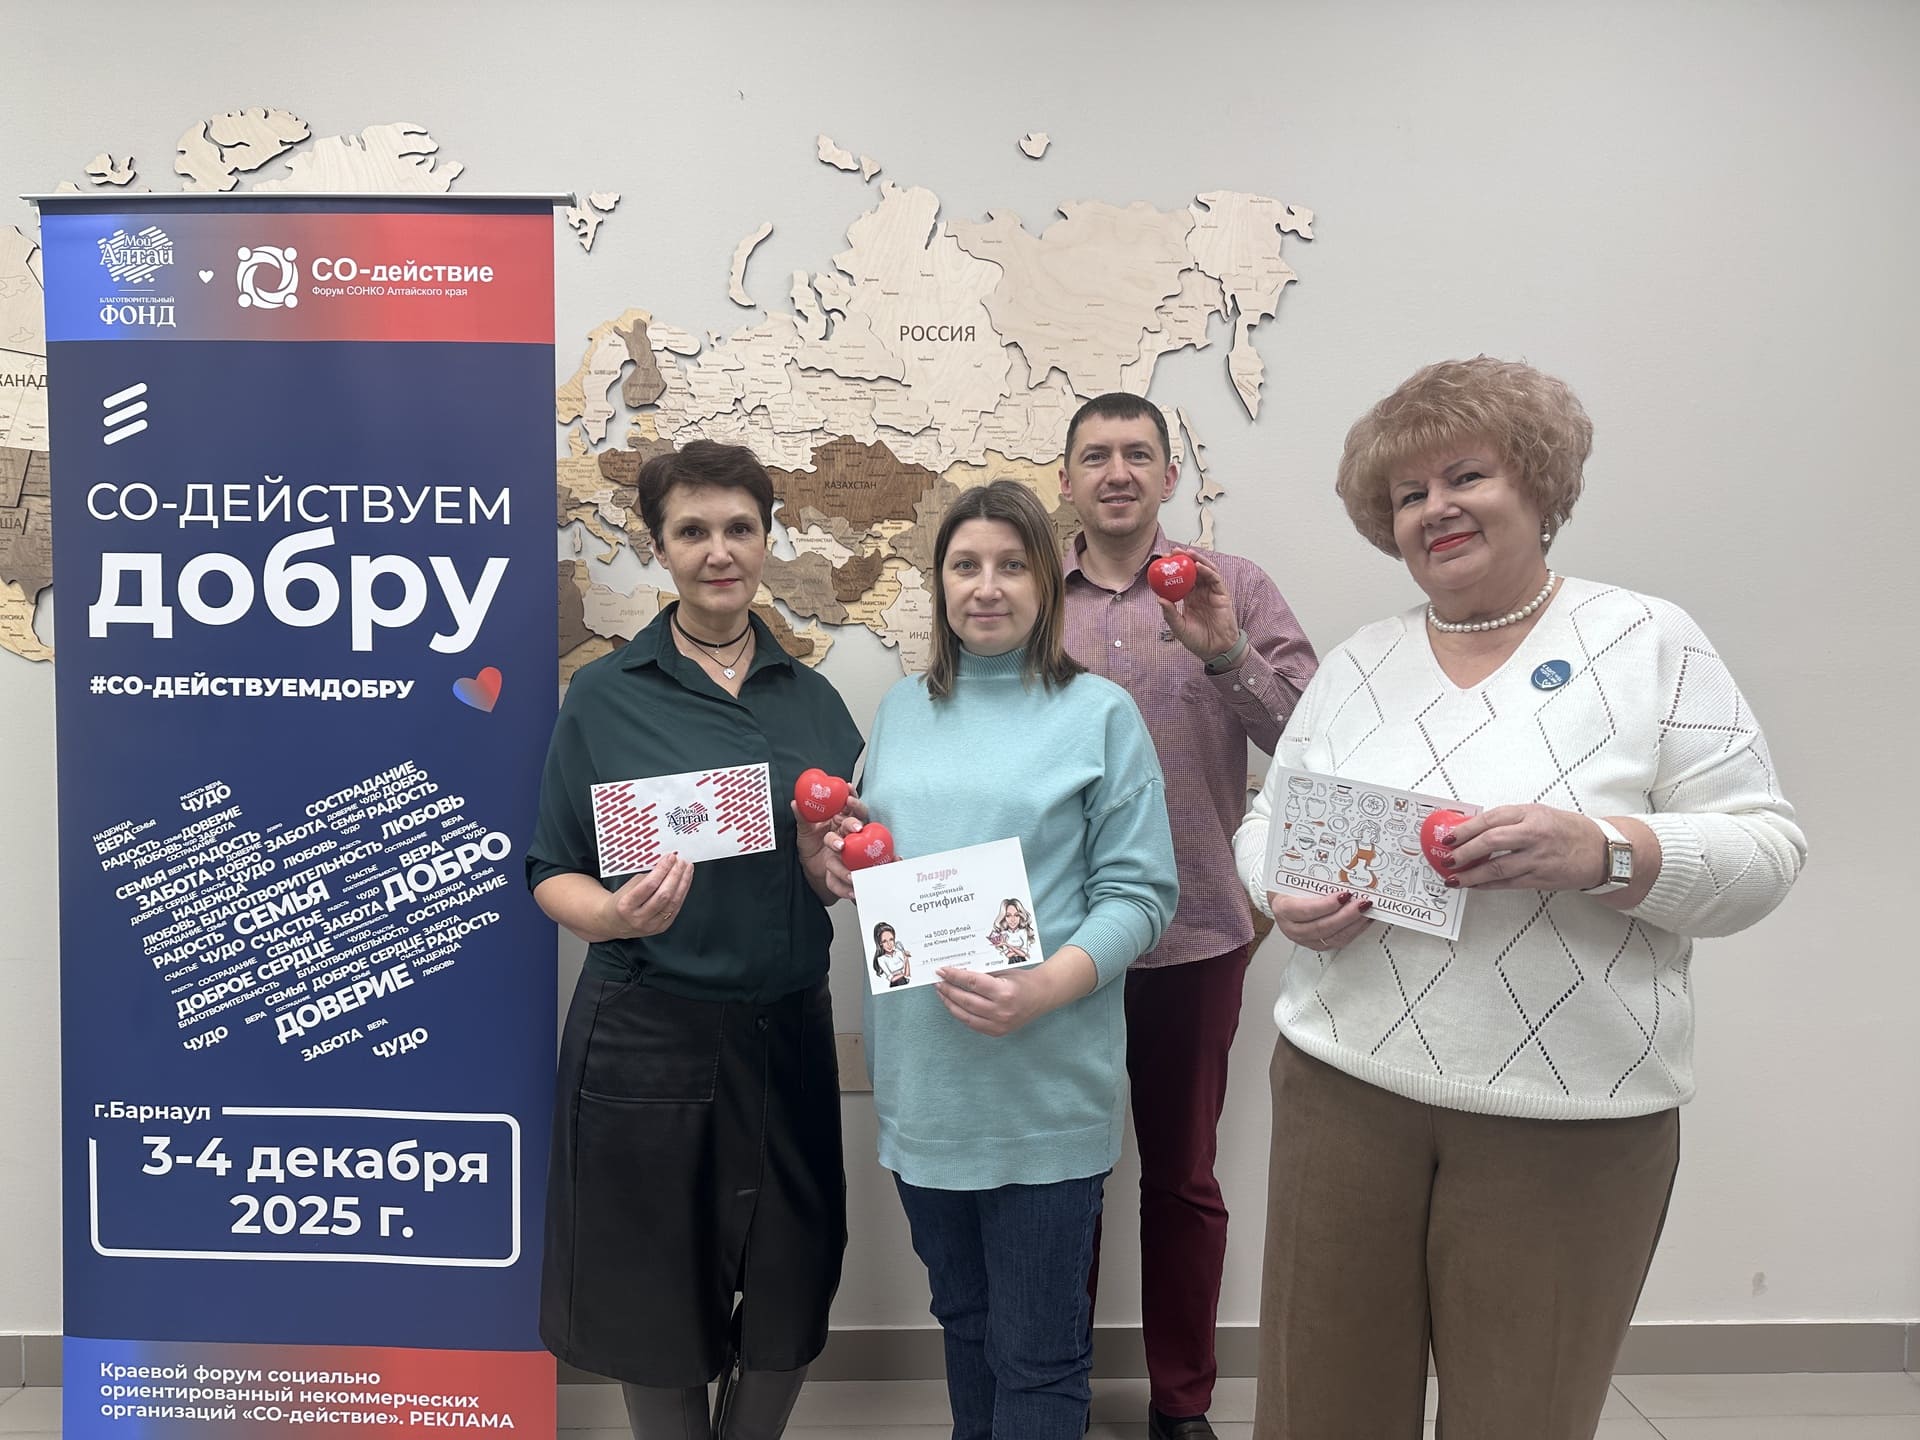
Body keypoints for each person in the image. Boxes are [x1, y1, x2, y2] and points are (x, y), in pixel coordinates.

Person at [1232, 357, 1808, 1440]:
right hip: (1341, 1090)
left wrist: (1603, 852)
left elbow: (1767, 852)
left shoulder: (1647, 642)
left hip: (1568, 1116)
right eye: (1410, 494)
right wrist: (1285, 889)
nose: (1436, 509)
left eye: (1466, 476)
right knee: (1319, 1407)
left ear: (1538, 485)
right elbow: (1272, 821)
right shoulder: (1359, 663)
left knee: (1522, 1413)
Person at [524, 441, 864, 1440]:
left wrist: (828, 872)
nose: (720, 551)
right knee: (653, 1299)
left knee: (793, 1284)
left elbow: (834, 867)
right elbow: (550, 869)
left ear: (767, 537)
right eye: (693, 531)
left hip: (786, 1032)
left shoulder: (815, 702)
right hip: (647, 1032)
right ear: (660, 547)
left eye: (739, 528)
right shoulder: (605, 695)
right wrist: (612, 914)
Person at [855, 479, 1178, 1440]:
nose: (986, 587)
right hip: (926, 1087)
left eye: (1011, 565)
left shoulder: (1100, 713)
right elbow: (882, 863)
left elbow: (1141, 897)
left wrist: (1042, 989)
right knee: (965, 1324)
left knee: (1038, 1357)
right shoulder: (900, 710)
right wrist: (839, 862)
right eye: (965, 565)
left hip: (1044, 1088)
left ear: (1046, 581)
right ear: (940, 583)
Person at [1058, 392, 1318, 1440]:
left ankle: (1182, 1402)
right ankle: (1048, 1388)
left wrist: (1223, 651)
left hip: (1198, 929)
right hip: (1060, 942)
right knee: (1058, 1182)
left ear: (1170, 477)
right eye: (1096, 455)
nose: (1117, 471)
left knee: (1182, 1180)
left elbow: (1307, 739)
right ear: (1067, 480)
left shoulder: (1234, 586)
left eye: (1138, 454)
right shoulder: (1029, 595)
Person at [985, 898, 1035, 964]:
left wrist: (1008, 945)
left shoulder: (1023, 931)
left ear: (1021, 916)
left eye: (1016, 915)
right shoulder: (1003, 934)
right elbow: (1007, 955)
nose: (1013, 919)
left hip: (1023, 961)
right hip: (1011, 962)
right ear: (1003, 917)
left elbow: (1024, 954)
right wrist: (1018, 949)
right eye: (1008, 916)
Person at [873, 922, 912, 988]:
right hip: (895, 986)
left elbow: (907, 974)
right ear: (880, 943)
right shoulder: (881, 959)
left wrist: (906, 958)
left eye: (891, 939)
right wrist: (903, 974)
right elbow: (892, 979)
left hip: (905, 982)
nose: (889, 944)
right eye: (884, 941)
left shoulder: (899, 952)